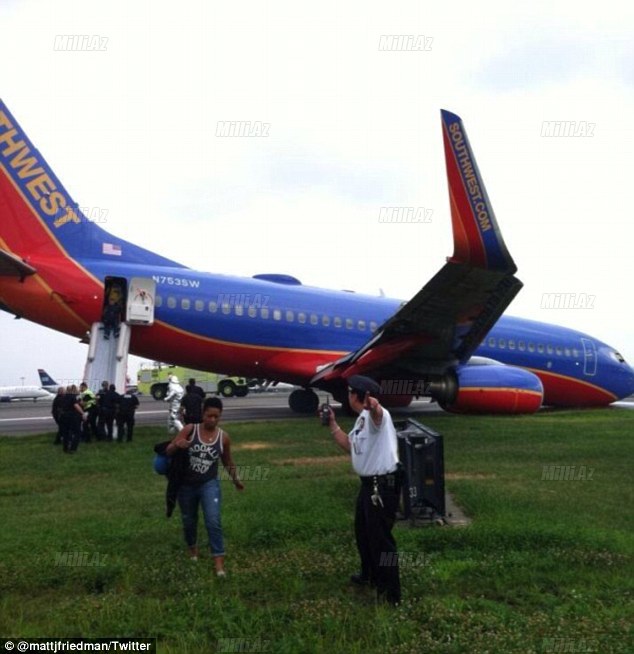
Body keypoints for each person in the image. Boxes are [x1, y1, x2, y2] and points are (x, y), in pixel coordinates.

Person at [323, 375, 402, 605]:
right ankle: (370, 576)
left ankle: (391, 595)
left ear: (357, 395)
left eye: (349, 392)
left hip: (382, 486)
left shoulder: (378, 416)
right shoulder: (361, 420)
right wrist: (332, 424)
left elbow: (378, 414)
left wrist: (375, 406)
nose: (347, 396)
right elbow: (349, 445)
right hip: (368, 485)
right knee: (363, 533)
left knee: (382, 541)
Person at [166, 397, 244, 576]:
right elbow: (169, 451)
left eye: (217, 417)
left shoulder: (223, 437)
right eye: (209, 416)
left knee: (213, 520)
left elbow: (227, 462)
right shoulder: (190, 429)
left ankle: (219, 564)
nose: (213, 420)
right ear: (203, 414)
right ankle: (192, 549)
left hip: (209, 484)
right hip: (186, 485)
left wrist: (236, 480)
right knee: (189, 520)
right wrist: (177, 445)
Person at [59, 384, 85, 453]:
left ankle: (65, 448)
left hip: (64, 416)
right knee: (77, 432)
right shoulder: (74, 397)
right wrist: (83, 413)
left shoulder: (63, 397)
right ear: (74, 390)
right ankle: (73, 448)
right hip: (72, 416)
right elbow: (77, 405)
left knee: (66, 433)